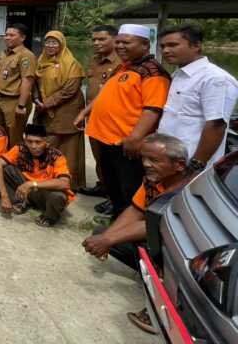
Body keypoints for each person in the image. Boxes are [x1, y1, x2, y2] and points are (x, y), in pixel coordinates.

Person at [82, 133, 191, 335]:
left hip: (179, 252)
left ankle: (161, 310)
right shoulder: (154, 179)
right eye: (144, 158)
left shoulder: (187, 190)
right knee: (103, 233)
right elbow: (136, 210)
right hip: (155, 236)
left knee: (158, 251)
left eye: (154, 160)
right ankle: (150, 275)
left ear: (180, 165)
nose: (146, 164)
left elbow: (156, 224)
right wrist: (107, 238)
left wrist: (109, 239)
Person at [78, 23, 171, 218]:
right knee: (113, 185)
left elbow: (153, 109)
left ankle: (127, 232)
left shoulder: (153, 72)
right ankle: (116, 219)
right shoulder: (124, 67)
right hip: (106, 138)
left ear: (145, 44)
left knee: (130, 189)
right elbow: (105, 94)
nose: (120, 46)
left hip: (125, 142)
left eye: (126, 42)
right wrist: (86, 112)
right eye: (118, 42)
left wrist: (135, 137)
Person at [159, 23, 238, 169]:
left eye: (173, 45)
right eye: (162, 46)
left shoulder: (215, 78)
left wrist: (196, 164)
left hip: (191, 163)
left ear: (196, 46)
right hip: (169, 158)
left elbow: (216, 125)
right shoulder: (178, 74)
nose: (166, 50)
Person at [0, 123, 74, 227]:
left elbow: (64, 183)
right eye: (29, 142)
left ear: (47, 142)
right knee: (6, 169)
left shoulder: (56, 156)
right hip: (25, 189)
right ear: (25, 141)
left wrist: (32, 184)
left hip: (44, 193)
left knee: (58, 196)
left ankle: (49, 216)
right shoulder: (20, 148)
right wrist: (4, 197)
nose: (33, 146)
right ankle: (19, 202)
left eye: (38, 142)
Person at [34, 30, 87, 189]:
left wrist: (47, 103)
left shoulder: (71, 63)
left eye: (54, 42)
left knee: (67, 146)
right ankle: (45, 178)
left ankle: (68, 182)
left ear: (62, 44)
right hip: (45, 108)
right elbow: (35, 83)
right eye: (48, 42)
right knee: (47, 141)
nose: (50, 46)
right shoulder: (41, 61)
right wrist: (36, 98)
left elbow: (70, 90)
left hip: (66, 110)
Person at [79, 24, 121, 198]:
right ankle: (103, 185)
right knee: (99, 156)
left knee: (113, 159)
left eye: (102, 39)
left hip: (113, 119)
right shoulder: (95, 60)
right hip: (94, 116)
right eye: (94, 39)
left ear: (115, 39)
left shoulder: (122, 63)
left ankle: (114, 195)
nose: (96, 43)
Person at [0, 24, 36, 147]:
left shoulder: (26, 55)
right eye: (6, 35)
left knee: (14, 137)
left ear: (22, 38)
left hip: (14, 102)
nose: (7, 38)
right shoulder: (5, 53)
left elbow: (27, 81)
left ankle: (15, 163)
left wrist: (21, 105)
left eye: (12, 35)